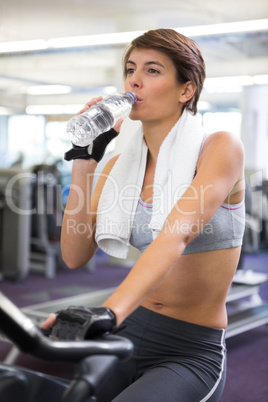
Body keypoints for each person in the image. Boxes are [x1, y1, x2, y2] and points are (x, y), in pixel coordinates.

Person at [42, 29, 245, 401]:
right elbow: (74, 255)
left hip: (188, 350)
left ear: (186, 90)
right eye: (131, 69)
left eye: (152, 71)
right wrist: (85, 159)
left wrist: (109, 312)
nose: (134, 80)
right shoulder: (122, 164)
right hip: (129, 332)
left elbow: (174, 235)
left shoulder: (218, 148)